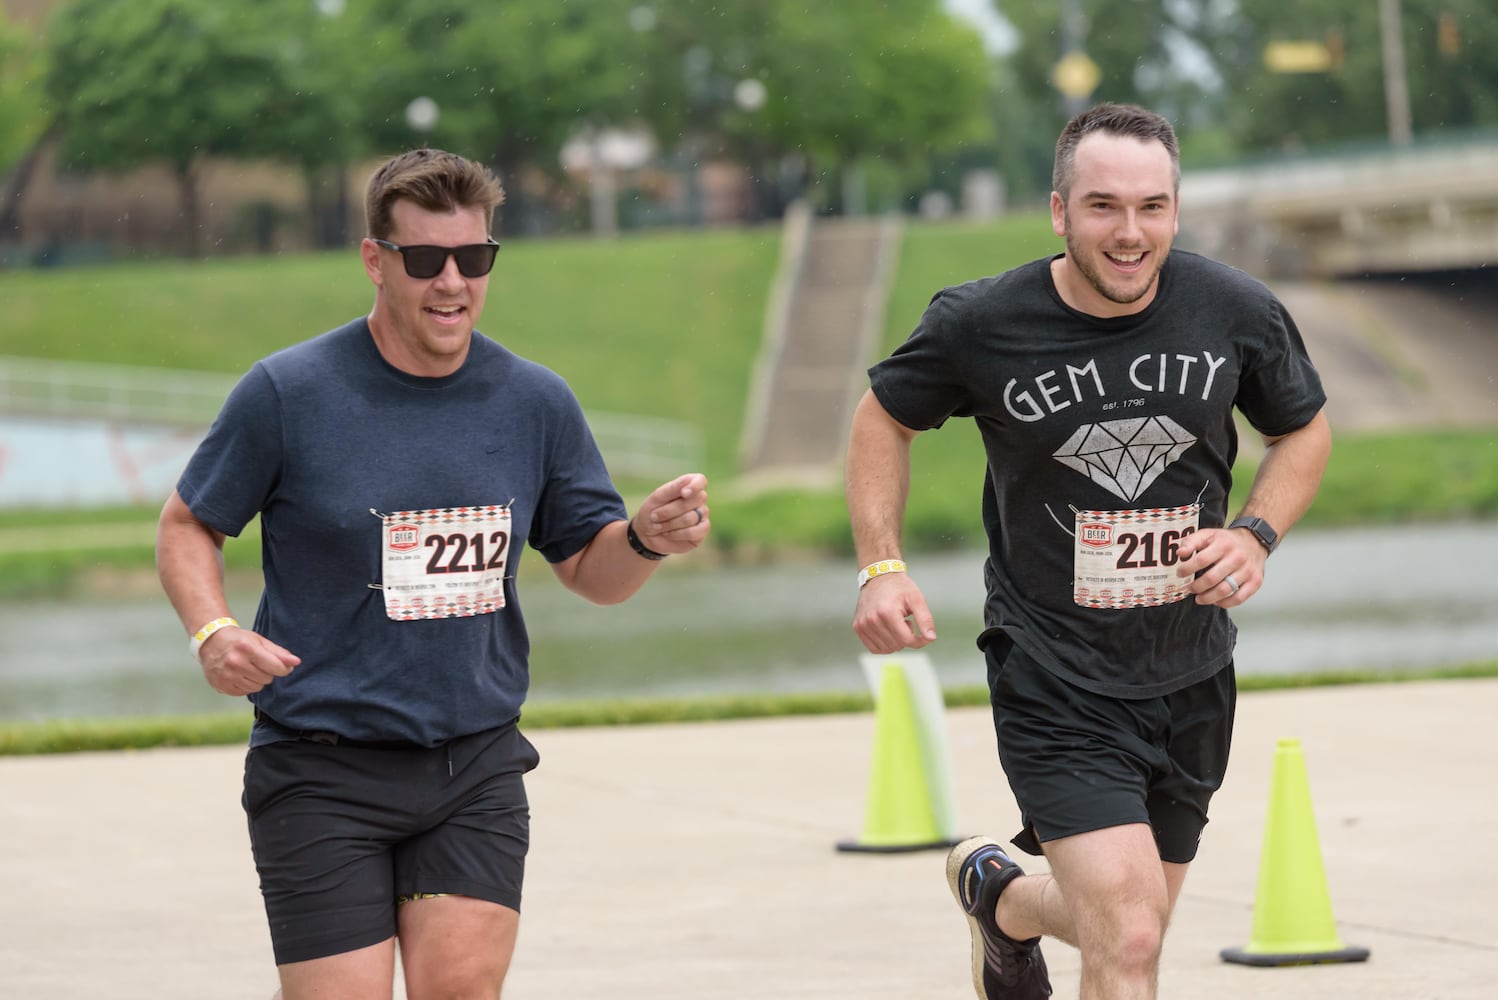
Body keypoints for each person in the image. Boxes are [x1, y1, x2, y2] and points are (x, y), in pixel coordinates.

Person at [156, 148, 711, 999]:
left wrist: (643, 539)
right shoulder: (289, 392)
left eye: (474, 259)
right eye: (426, 260)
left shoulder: (533, 402)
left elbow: (590, 573)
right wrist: (214, 631)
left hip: (473, 769)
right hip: (320, 769)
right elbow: (189, 524)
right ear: (376, 261)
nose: (452, 282)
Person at [845, 103, 1331, 1000]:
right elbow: (883, 419)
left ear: (1176, 212)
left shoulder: (1233, 308)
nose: (1130, 232)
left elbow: (1302, 430)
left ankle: (1002, 903)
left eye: (1152, 207)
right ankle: (1018, 906)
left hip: (1190, 670)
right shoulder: (981, 322)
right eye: (1103, 206)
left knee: (1128, 924)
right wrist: (883, 563)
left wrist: (1256, 534)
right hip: (1052, 670)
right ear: (1060, 211)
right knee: (1133, 931)